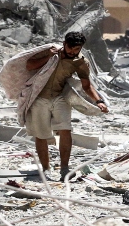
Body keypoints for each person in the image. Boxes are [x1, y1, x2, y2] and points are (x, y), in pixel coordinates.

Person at [24, 31, 108, 178]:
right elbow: (29, 66)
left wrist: (99, 101)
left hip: (60, 96)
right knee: (41, 134)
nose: (73, 52)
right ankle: (46, 169)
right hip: (39, 97)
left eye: (77, 49)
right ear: (64, 44)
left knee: (65, 130)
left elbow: (87, 86)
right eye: (70, 48)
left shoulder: (80, 62)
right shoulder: (50, 52)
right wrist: (48, 57)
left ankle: (64, 168)